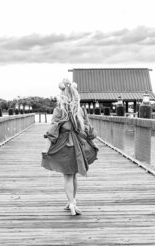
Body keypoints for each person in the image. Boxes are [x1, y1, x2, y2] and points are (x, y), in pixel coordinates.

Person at [41, 78, 99, 216]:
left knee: (67, 176)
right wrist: (94, 144)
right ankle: (72, 201)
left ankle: (71, 203)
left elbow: (53, 131)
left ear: (63, 97)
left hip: (64, 146)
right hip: (78, 146)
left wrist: (46, 148)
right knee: (73, 175)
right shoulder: (81, 111)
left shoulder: (59, 111)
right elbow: (88, 129)